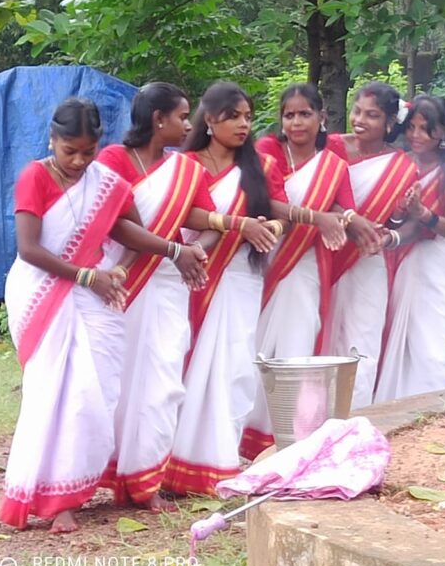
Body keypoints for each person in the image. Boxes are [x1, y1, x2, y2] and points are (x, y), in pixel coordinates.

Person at [0, 97, 207, 532]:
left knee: (93, 398)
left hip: (90, 297)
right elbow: (29, 248)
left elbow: (126, 229)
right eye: (68, 151)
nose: (78, 161)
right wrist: (86, 277)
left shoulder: (105, 183)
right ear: (52, 140)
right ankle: (55, 503)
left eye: (87, 152)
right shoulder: (34, 177)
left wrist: (172, 250)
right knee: (54, 394)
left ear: (98, 146)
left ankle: (71, 488)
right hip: (42, 293)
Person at [95, 82, 234, 511]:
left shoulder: (186, 170)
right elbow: (113, 221)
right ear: (159, 120)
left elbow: (208, 219)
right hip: (122, 282)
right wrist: (176, 249)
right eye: (181, 115)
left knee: (161, 383)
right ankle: (106, 471)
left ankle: (146, 480)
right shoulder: (113, 160)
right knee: (114, 381)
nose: (187, 123)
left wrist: (195, 253)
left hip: (168, 287)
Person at [164, 82, 287, 496]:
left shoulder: (259, 167)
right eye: (234, 116)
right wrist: (234, 226)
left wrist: (270, 228)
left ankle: (219, 461)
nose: (243, 124)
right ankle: (171, 465)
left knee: (232, 368)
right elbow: (181, 213)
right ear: (210, 119)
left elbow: (274, 214)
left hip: (237, 275)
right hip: (189, 273)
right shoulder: (186, 164)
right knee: (184, 362)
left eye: (249, 117)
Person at [255, 83, 372, 359]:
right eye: (289, 115)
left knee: (297, 342)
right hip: (264, 255)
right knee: (254, 346)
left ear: (322, 119)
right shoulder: (267, 149)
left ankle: (292, 403)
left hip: (305, 261)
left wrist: (346, 220)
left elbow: (346, 209)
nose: (296, 122)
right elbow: (261, 201)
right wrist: (317, 216)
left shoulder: (332, 164)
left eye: (305, 114)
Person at [376, 95, 445, 402]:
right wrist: (400, 212)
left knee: (436, 343)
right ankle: (402, 409)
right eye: (412, 128)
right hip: (406, 260)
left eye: (425, 129)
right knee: (405, 338)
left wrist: (422, 213)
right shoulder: (400, 165)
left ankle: (440, 406)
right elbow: (393, 220)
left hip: (441, 266)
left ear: (441, 131)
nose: (416, 136)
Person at [321, 82, 417, 409]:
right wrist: (349, 219)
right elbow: (314, 199)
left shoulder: (402, 167)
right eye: (357, 111)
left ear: (390, 123)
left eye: (372, 115)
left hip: (366, 262)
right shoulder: (331, 147)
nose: (360, 120)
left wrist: (398, 218)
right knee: (321, 335)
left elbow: (391, 224)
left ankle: (355, 415)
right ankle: (314, 418)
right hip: (324, 256)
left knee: (361, 340)